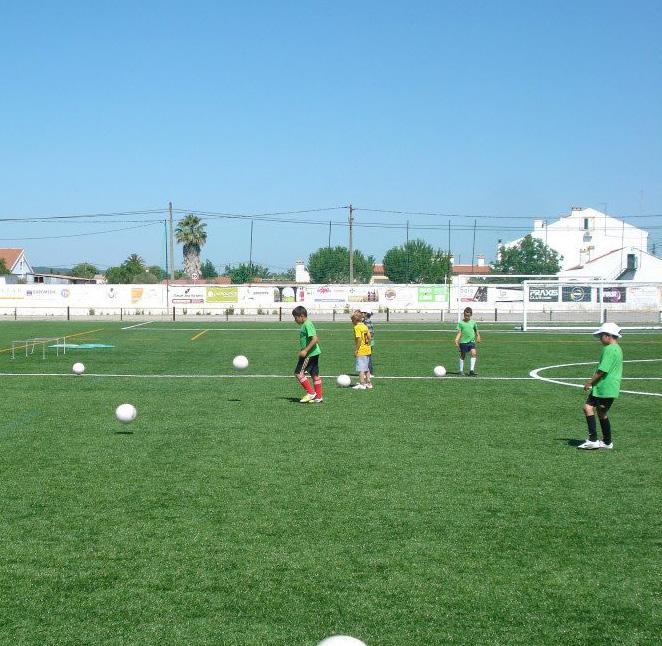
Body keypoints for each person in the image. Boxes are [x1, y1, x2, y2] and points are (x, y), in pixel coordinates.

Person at [578, 322, 623, 450]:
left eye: (601, 336)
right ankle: (607, 442)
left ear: (608, 336)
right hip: (608, 387)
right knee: (600, 412)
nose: (600, 339)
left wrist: (589, 382)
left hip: (604, 387)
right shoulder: (618, 348)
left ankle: (593, 440)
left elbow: (602, 370)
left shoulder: (609, 349)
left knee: (589, 408)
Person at [292, 305, 322, 403]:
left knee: (298, 373)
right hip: (314, 353)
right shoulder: (307, 324)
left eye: (295, 317)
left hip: (309, 354)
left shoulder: (307, 324)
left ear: (301, 316)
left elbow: (314, 339)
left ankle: (311, 393)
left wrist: (305, 350)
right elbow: (316, 338)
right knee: (314, 374)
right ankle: (318, 397)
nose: (295, 320)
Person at [454, 306, 481, 376]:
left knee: (474, 353)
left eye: (468, 316)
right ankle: (461, 370)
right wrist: (456, 340)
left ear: (471, 315)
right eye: (465, 315)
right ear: (464, 314)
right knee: (463, 355)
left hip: (471, 341)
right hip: (463, 342)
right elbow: (459, 333)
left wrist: (478, 336)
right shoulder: (460, 323)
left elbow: (476, 330)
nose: (466, 317)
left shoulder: (473, 322)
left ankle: (471, 371)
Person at [351, 311, 372, 390]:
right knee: (366, 368)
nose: (351, 322)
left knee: (361, 368)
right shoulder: (364, 325)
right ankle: (369, 383)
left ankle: (362, 383)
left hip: (361, 350)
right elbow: (369, 337)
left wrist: (356, 349)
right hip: (367, 349)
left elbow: (359, 339)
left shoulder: (357, 327)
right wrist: (367, 345)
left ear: (355, 320)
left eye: (352, 320)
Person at [361, 309, 375, 383]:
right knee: (367, 358)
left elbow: (370, 333)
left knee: (367, 358)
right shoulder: (366, 321)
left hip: (368, 343)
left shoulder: (367, 322)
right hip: (369, 342)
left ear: (365, 314)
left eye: (362, 312)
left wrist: (366, 341)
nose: (361, 314)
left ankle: (370, 373)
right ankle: (367, 372)